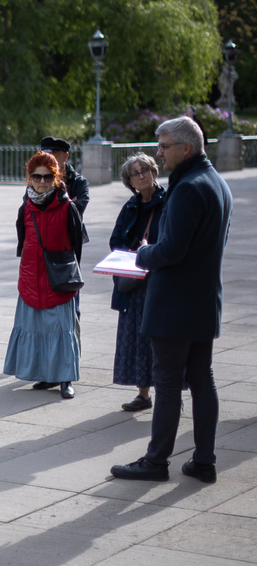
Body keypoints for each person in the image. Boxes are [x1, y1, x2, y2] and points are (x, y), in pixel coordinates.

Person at [111, 116, 233, 484]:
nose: (159, 153)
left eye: (164, 147)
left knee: (166, 382)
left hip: (174, 303)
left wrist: (143, 253)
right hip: (203, 300)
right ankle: (204, 461)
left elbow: (171, 250)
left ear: (186, 148)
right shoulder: (217, 182)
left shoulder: (188, 187)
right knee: (201, 378)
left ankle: (156, 461)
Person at [3, 152, 83, 400]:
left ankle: (66, 378)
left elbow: (77, 247)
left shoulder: (68, 207)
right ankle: (46, 375)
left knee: (62, 328)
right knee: (36, 326)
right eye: (37, 177)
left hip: (58, 277)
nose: (42, 181)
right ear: (29, 178)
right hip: (31, 275)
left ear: (56, 178)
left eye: (47, 177)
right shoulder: (25, 208)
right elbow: (23, 241)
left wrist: (69, 275)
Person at [110, 153, 167, 412]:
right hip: (134, 282)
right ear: (129, 181)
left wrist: (149, 251)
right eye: (135, 173)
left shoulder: (168, 202)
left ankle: (170, 396)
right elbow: (115, 240)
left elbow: (172, 239)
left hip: (159, 279)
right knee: (137, 337)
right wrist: (132, 250)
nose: (141, 175)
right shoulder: (130, 206)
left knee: (162, 340)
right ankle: (143, 394)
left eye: (145, 170)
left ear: (154, 172)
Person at [39, 136, 89, 319]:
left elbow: (78, 209)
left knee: (69, 287)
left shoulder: (78, 181)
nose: (49, 158)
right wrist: (67, 204)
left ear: (66, 156)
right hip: (43, 240)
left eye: (54, 154)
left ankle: (73, 328)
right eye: (45, 154)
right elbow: (31, 208)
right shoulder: (39, 178)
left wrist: (54, 209)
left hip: (69, 243)